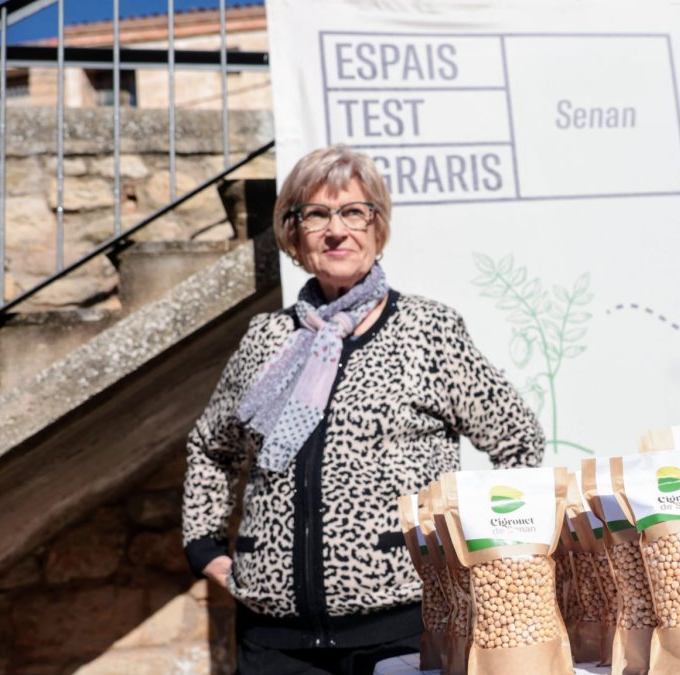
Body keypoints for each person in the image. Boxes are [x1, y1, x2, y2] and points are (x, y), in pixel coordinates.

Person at [182, 144, 544, 674]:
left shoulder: (428, 330)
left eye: (354, 212)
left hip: (404, 632)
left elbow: (518, 440)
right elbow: (213, 446)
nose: (336, 231)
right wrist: (203, 543)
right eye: (316, 214)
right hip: (275, 641)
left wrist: (483, 556)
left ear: (378, 228)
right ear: (294, 234)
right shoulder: (265, 339)